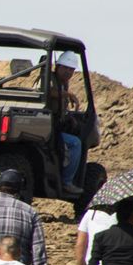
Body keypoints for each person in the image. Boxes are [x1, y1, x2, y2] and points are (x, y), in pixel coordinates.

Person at [48, 51, 83, 195]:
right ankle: (66, 182)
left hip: (55, 122)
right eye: (65, 68)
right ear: (58, 66)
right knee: (75, 143)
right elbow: (48, 92)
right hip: (47, 124)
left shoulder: (63, 83)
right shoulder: (49, 78)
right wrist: (68, 95)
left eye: (71, 69)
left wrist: (69, 117)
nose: (68, 72)